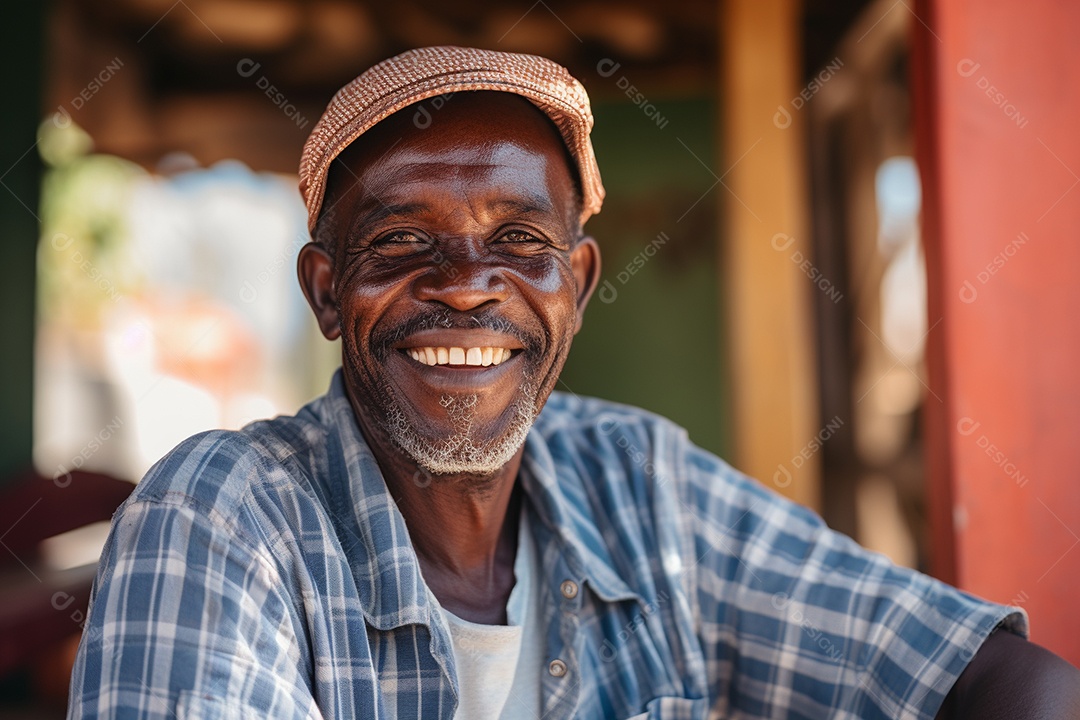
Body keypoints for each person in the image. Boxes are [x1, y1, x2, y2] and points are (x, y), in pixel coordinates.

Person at [68, 46, 1080, 719]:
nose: (466, 290)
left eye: (519, 242)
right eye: (402, 243)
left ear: (579, 284)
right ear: (328, 293)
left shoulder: (642, 482)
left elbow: (983, 677)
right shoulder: (221, 516)